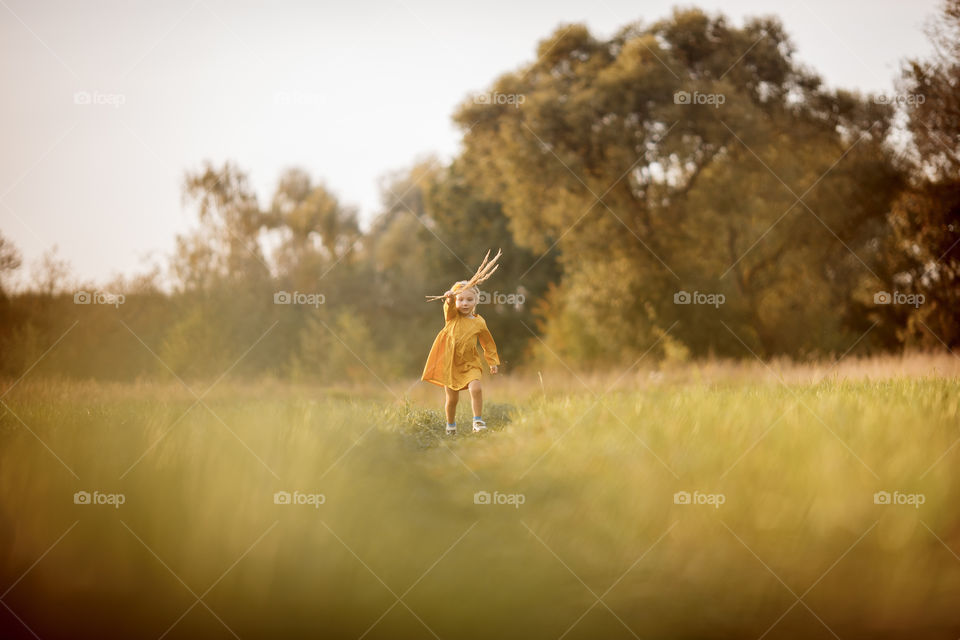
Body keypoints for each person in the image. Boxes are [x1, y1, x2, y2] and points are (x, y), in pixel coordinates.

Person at [421, 281, 500, 434]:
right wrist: (449, 299)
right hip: (451, 364)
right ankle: (450, 425)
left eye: (469, 300)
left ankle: (477, 421)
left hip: (470, 363)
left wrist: (492, 362)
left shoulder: (479, 322)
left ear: (476, 301)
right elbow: (449, 307)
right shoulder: (452, 317)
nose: (464, 303)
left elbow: (488, 343)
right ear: (456, 301)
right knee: (452, 400)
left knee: (476, 388)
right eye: (460, 299)